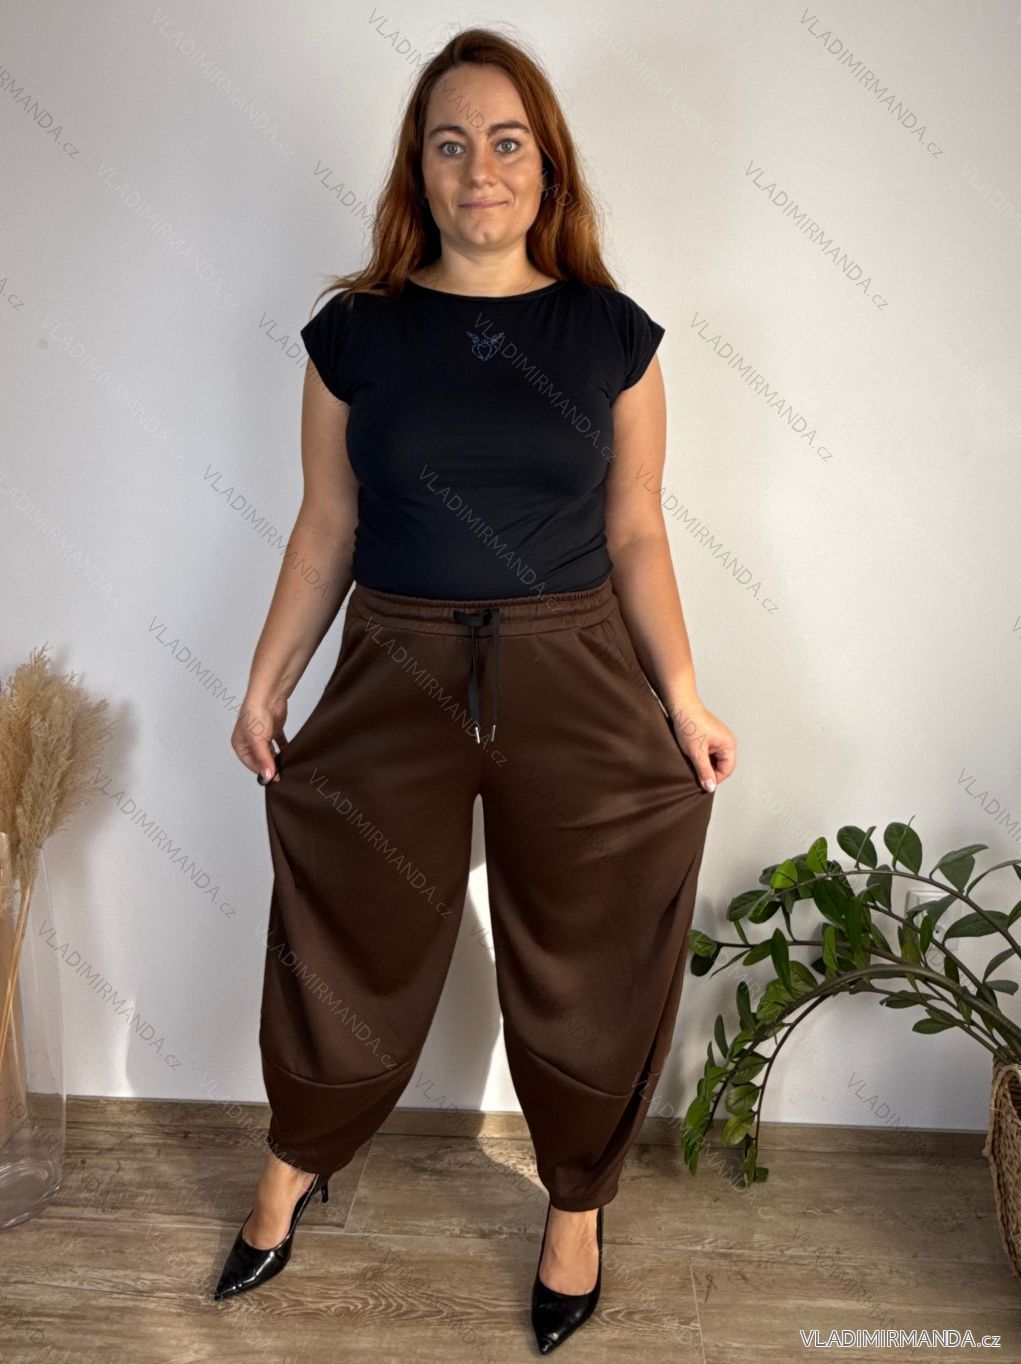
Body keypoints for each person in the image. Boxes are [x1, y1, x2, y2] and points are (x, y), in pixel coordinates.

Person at [215, 25, 736, 1355]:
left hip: (573, 673)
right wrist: (267, 683)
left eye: (506, 142)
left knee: (586, 948)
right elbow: (325, 525)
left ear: (546, 164)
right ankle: (292, 1165)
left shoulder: (611, 335)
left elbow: (636, 530)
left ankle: (575, 1206)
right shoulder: (355, 335)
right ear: (419, 170)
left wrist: (682, 697)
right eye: (450, 144)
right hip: (394, 671)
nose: (480, 169)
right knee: (348, 930)